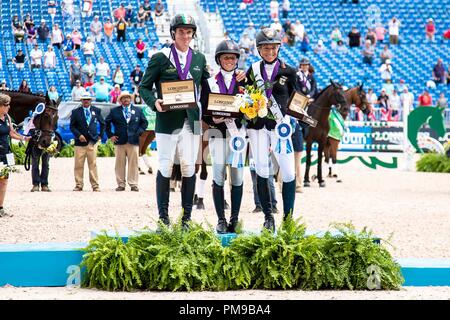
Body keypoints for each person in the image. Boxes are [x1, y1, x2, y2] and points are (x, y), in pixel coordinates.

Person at [138, 14, 212, 227]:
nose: (185, 35)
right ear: (173, 33)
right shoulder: (160, 57)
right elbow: (144, 87)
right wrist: (154, 102)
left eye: (189, 32)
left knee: (190, 167)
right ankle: (163, 218)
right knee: (165, 165)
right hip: (167, 120)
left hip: (192, 120)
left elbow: (208, 86)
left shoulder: (198, 58)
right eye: (181, 31)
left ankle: (187, 218)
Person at [244, 27, 298, 231]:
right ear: (259, 50)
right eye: (265, 48)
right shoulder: (252, 70)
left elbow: (297, 98)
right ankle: (268, 216)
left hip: (280, 128)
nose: (269, 51)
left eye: (273, 48)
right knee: (261, 169)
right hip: (257, 128)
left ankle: (288, 217)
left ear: (278, 48)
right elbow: (246, 95)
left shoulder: (289, 71)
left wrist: (295, 117)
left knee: (288, 172)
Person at [199, 40, 245, 233]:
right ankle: (220, 219)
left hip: (237, 136)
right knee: (218, 175)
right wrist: (213, 120)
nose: (230, 60)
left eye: (233, 57)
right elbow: (204, 111)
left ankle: (234, 219)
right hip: (218, 133)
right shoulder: (209, 82)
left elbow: (250, 108)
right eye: (226, 57)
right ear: (219, 59)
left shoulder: (244, 81)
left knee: (237, 177)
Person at [106, 91, 147, 192]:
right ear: (120, 100)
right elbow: (106, 123)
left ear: (131, 99)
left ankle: (133, 184)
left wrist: (139, 133)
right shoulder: (114, 111)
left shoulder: (138, 110)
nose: (126, 99)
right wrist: (110, 135)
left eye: (128, 97)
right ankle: (121, 184)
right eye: (123, 98)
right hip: (120, 141)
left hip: (133, 141)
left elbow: (144, 122)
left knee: (134, 164)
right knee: (119, 163)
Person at [0, 94, 30, 217]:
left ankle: (0, 207)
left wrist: (24, 138)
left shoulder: (7, 117)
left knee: (4, 181)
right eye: (6, 105)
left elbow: (12, 132)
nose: (9, 107)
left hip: (5, 153)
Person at [70, 93, 105, 192]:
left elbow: (103, 124)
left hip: (92, 142)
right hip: (79, 143)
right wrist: (78, 135)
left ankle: (95, 185)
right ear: (81, 101)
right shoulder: (76, 112)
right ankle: (79, 184)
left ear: (90, 100)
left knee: (93, 164)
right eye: (84, 99)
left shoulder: (96, 110)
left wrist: (100, 136)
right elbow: (72, 126)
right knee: (78, 164)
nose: (86, 101)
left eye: (88, 99)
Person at [295, 57, 316, 193]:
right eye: (302, 65)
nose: (304, 67)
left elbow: (314, 89)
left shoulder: (311, 77)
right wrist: (304, 97)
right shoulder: (297, 76)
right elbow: (296, 88)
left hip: (309, 101)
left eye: (306, 65)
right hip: (300, 101)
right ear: (300, 66)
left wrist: (310, 97)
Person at [139, 104, 156, 175]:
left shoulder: (143, 107)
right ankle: (145, 166)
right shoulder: (143, 107)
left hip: (151, 129)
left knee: (142, 149)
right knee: (141, 149)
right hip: (149, 129)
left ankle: (147, 166)